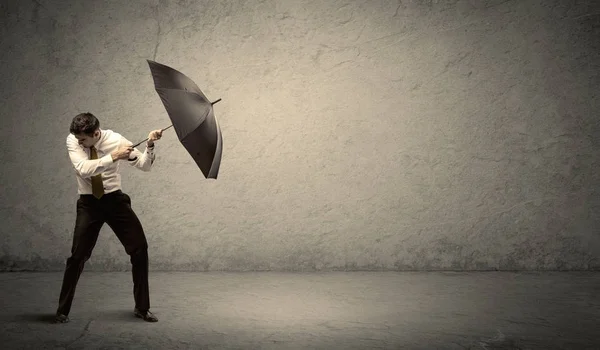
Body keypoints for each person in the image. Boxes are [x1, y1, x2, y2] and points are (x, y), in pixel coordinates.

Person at [55, 112, 162, 323]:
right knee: (77, 256)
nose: (80, 143)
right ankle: (62, 311)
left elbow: (144, 165)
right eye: (78, 140)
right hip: (89, 204)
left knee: (140, 249)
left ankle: (142, 308)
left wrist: (149, 145)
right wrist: (114, 156)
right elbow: (83, 169)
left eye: (84, 140)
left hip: (115, 201)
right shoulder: (73, 139)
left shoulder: (117, 140)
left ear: (96, 133)